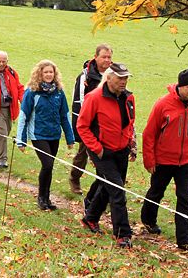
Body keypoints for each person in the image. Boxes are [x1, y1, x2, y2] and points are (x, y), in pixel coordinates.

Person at [140, 69, 188, 255]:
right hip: (163, 160)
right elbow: (149, 134)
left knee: (185, 199)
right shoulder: (163, 104)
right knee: (157, 192)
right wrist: (149, 159)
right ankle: (148, 219)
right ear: (180, 87)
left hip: (186, 161)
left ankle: (185, 240)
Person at [77, 62, 137, 249]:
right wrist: (98, 148)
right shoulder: (94, 97)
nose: (124, 82)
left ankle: (91, 218)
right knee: (117, 191)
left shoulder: (129, 97)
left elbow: (130, 123)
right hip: (102, 152)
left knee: (107, 186)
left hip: (122, 150)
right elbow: (82, 126)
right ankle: (123, 234)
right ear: (109, 78)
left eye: (126, 78)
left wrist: (130, 144)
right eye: (120, 78)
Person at [17, 60, 75, 211]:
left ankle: (47, 198)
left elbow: (65, 116)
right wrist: (21, 140)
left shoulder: (59, 92)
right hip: (38, 135)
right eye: (46, 72)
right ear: (39, 74)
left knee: (49, 167)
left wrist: (70, 137)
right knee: (47, 164)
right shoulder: (32, 92)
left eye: (51, 72)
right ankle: (41, 197)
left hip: (54, 134)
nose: (49, 75)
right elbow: (24, 116)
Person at [70, 44, 113, 195]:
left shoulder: (114, 75)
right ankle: (74, 179)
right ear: (96, 57)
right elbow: (80, 101)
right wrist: (82, 125)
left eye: (109, 57)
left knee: (105, 157)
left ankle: (104, 189)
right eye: (104, 57)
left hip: (107, 125)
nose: (107, 60)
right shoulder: (85, 76)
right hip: (89, 123)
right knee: (83, 153)